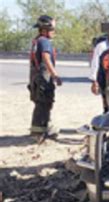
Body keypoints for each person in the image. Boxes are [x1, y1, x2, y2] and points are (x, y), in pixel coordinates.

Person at [28, 15, 62, 143]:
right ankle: (39, 133)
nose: (54, 32)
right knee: (44, 103)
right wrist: (55, 75)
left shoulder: (37, 40)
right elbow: (46, 59)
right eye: (52, 29)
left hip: (36, 77)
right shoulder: (45, 42)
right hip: (43, 78)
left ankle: (42, 129)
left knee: (41, 103)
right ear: (44, 29)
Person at [89, 27, 109, 112]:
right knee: (107, 102)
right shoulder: (101, 46)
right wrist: (94, 81)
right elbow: (95, 64)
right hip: (104, 79)